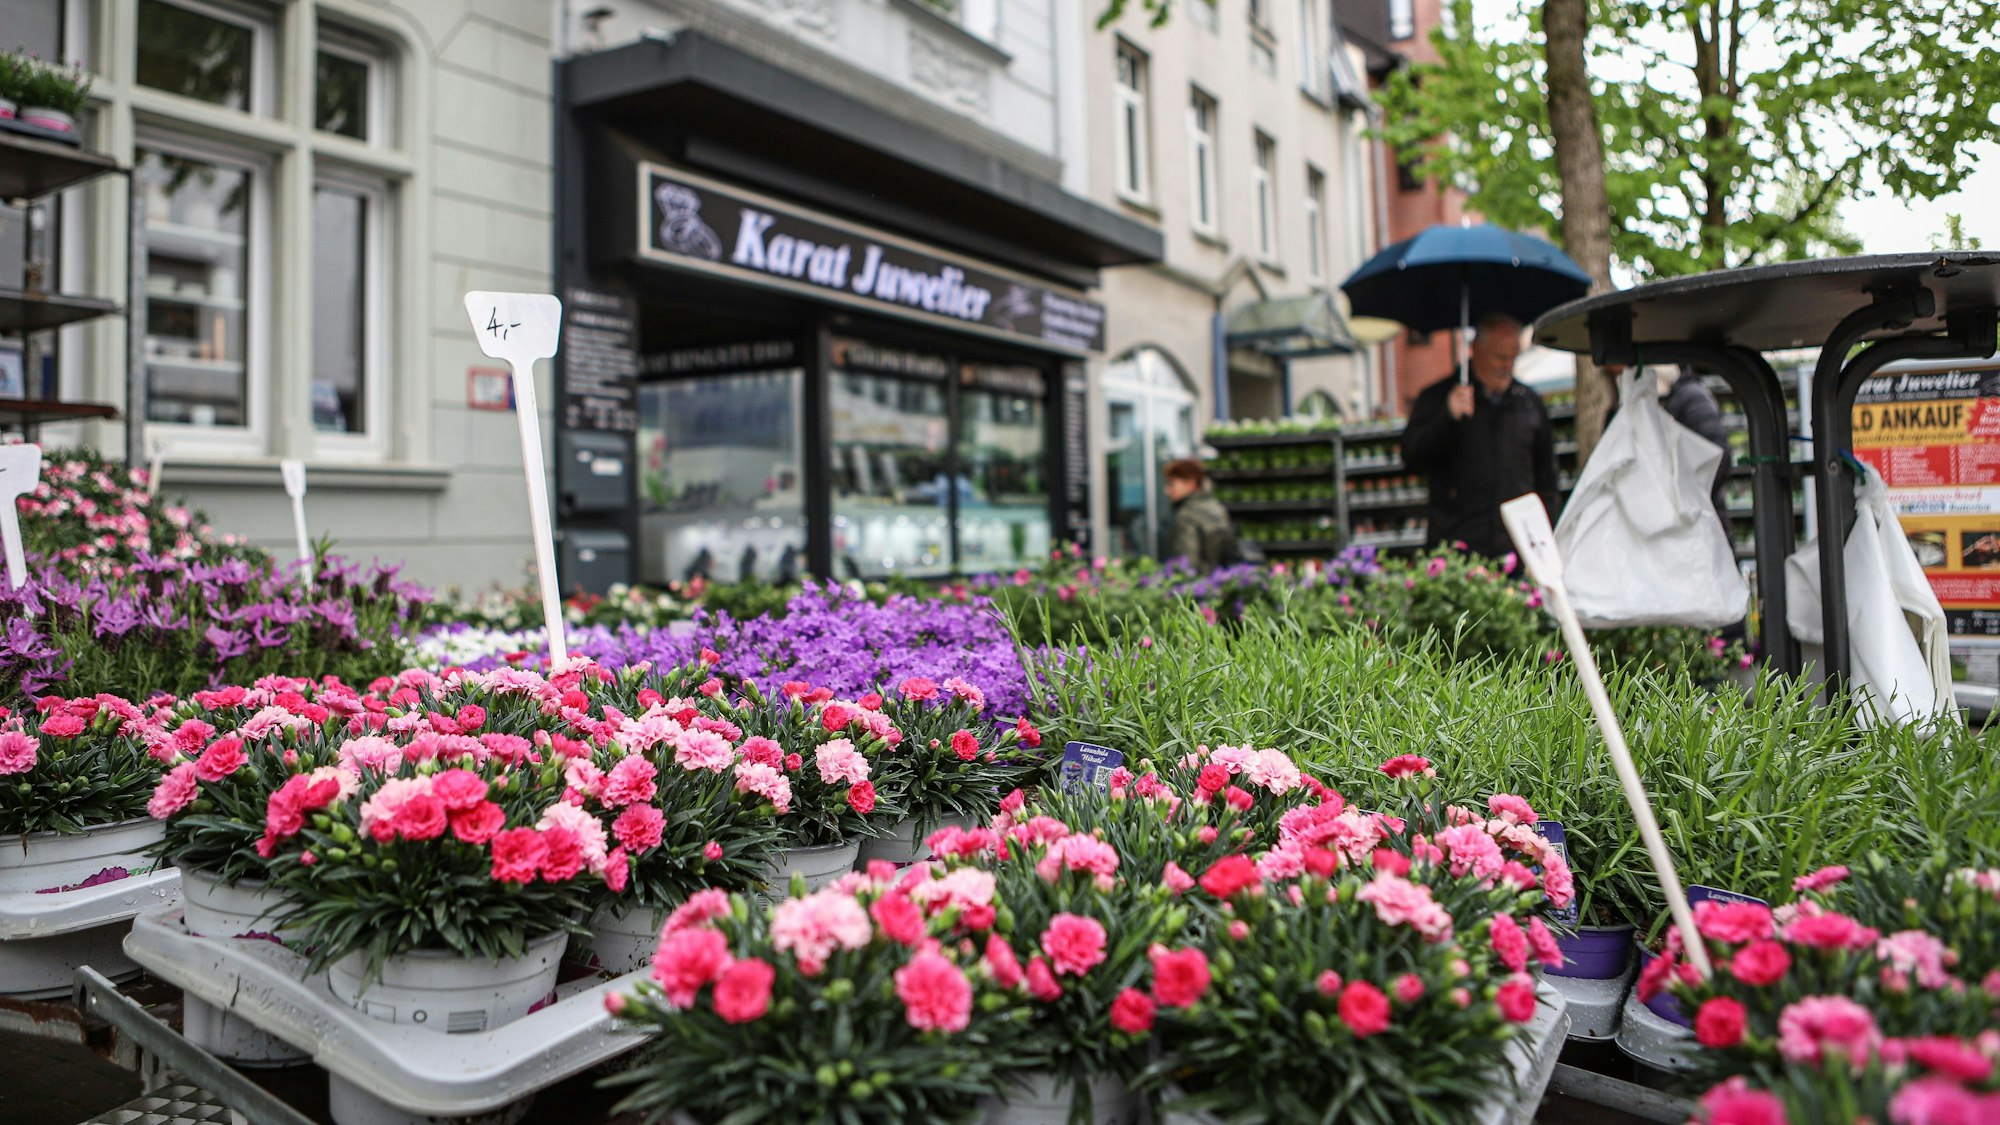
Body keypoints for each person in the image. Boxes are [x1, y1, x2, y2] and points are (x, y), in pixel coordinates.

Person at [1401, 313, 1562, 558]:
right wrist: (1447, 416)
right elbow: (1411, 458)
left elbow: (1547, 479)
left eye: (1513, 356)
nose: (1507, 364)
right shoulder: (1438, 397)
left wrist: (1545, 533)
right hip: (1456, 549)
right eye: (1500, 356)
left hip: (1518, 548)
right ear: (1476, 350)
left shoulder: (1528, 402)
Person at [1162, 458, 1236, 569]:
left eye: (1171, 484)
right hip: (1220, 581)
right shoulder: (1217, 508)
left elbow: (1187, 564)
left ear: (1191, 483)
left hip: (1197, 584)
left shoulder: (1186, 515)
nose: (1167, 490)